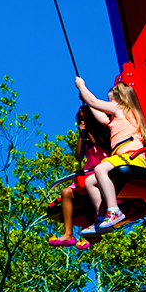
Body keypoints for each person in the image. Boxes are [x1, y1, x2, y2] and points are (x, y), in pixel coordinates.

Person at [75, 74, 146, 232]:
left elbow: (94, 102)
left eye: (110, 101)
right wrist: (87, 102)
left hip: (131, 157)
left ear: (120, 100)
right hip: (123, 158)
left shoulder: (122, 109)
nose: (108, 105)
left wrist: (82, 86)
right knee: (90, 182)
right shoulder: (117, 118)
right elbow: (101, 116)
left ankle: (114, 210)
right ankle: (101, 218)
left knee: (100, 168)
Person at [47, 107, 112, 249]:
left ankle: (93, 231)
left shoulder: (105, 136)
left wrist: (88, 122)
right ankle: (68, 234)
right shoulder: (87, 141)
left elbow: (97, 142)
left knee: (85, 193)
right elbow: (79, 156)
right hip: (89, 173)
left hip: (103, 172)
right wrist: (81, 135)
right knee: (66, 192)